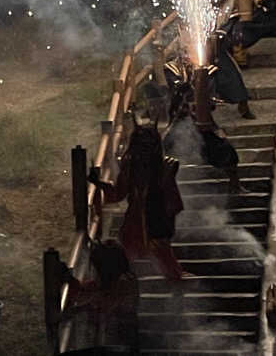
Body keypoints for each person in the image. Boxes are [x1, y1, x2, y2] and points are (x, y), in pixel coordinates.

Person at [89, 118, 186, 281]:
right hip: (134, 222)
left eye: (148, 145)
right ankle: (124, 285)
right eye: (142, 145)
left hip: (157, 218)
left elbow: (173, 201)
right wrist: (99, 183)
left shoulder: (165, 167)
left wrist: (166, 220)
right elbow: (118, 193)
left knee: (165, 259)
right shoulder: (130, 167)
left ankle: (176, 287)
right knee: (128, 253)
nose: (144, 150)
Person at [63, 239, 140, 353]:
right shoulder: (118, 278)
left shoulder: (124, 281)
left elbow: (106, 304)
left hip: (120, 342)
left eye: (98, 267)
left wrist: (79, 308)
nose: (97, 271)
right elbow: (93, 290)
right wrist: (72, 281)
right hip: (112, 339)